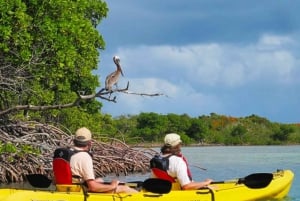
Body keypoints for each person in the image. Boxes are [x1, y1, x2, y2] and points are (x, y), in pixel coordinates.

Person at [70, 127, 138, 193]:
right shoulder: (85, 157)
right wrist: (113, 186)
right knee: (125, 188)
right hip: (80, 190)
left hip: (69, 186)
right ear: (90, 143)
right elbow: (93, 187)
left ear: (74, 141)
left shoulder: (68, 153)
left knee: (100, 180)